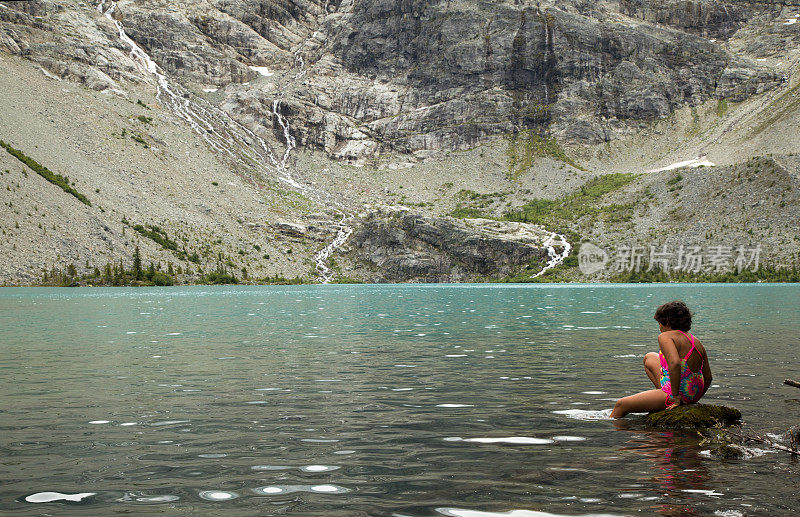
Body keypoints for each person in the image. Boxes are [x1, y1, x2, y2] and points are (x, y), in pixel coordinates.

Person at [610, 301, 712, 419]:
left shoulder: (665, 336)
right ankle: (661, 396)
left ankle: (611, 427)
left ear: (667, 323)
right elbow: (708, 377)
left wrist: (676, 396)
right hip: (693, 392)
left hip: (678, 393)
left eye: (659, 323)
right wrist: (694, 399)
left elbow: (675, 364)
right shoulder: (696, 341)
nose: (659, 327)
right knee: (650, 357)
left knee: (621, 405)